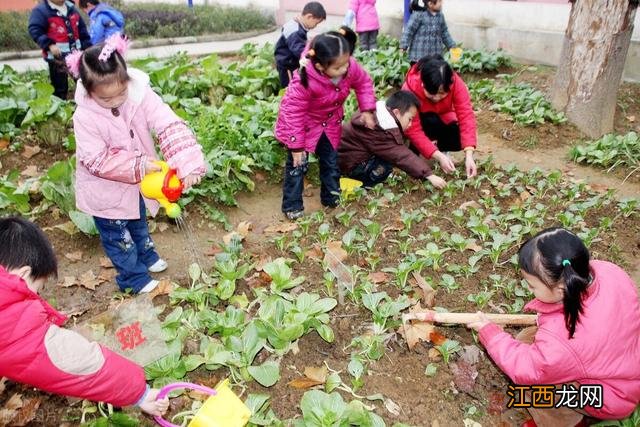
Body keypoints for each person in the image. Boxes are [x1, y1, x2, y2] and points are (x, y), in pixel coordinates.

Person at [66, 34, 206, 294]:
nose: (117, 101)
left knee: (138, 220)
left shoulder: (139, 94)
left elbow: (167, 122)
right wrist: (138, 165)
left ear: (127, 79)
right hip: (104, 191)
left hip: (138, 182)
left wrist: (187, 162)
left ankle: (147, 256)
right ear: (88, 90)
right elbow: (96, 160)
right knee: (118, 236)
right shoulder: (84, 116)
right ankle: (132, 278)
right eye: (106, 99)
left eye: (121, 92)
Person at [465, 227, 640, 426]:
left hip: (606, 398)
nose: (529, 290)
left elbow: (528, 370)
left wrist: (491, 334)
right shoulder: (609, 272)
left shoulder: (563, 338)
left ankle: (566, 422)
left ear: (560, 288)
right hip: (626, 369)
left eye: (532, 286)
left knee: (533, 388)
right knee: (526, 339)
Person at [0, 216, 170, 416]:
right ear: (22, 274)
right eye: (36, 290)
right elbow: (79, 359)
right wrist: (140, 393)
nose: (36, 297)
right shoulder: (10, 320)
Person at [274, 26, 376, 220]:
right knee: (297, 166)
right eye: (338, 67)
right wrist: (296, 146)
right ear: (320, 66)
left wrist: (367, 110)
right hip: (303, 127)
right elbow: (292, 112)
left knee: (331, 162)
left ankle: (331, 198)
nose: (345, 69)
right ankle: (292, 206)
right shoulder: (304, 80)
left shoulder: (348, 66)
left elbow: (363, 83)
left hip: (329, 125)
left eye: (346, 63)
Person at [339, 90, 446, 189]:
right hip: (352, 166)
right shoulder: (379, 129)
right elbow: (401, 156)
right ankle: (363, 184)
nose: (410, 124)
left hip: (346, 158)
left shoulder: (376, 115)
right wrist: (428, 175)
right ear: (396, 113)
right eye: (409, 119)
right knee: (386, 165)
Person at [401, 54, 477, 178]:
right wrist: (438, 156)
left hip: (443, 118)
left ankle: (438, 149)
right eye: (431, 93)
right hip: (422, 122)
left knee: (459, 138)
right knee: (429, 121)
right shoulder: (409, 89)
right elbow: (413, 129)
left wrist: (469, 156)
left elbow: (466, 115)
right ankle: (421, 151)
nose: (436, 98)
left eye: (442, 93)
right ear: (422, 84)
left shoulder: (455, 82)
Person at [28, 0, 92, 99]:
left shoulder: (72, 8)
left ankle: (85, 105)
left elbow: (82, 31)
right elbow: (35, 30)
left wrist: (88, 47)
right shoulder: (41, 11)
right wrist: (49, 44)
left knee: (83, 82)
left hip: (76, 56)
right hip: (56, 58)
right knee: (60, 87)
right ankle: (61, 108)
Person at [274, 1, 326, 88]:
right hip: (287, 64)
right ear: (309, 16)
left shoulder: (297, 25)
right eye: (316, 23)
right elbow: (298, 49)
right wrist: (312, 56)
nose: (315, 26)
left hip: (291, 62)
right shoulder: (295, 30)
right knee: (289, 88)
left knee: (295, 85)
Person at [400, 0, 457, 65]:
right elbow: (409, 30)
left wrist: (451, 46)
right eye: (439, 2)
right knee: (419, 74)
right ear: (430, 4)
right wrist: (403, 46)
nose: (442, 3)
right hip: (419, 56)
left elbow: (445, 32)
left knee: (434, 73)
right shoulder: (418, 14)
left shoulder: (440, 16)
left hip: (436, 55)